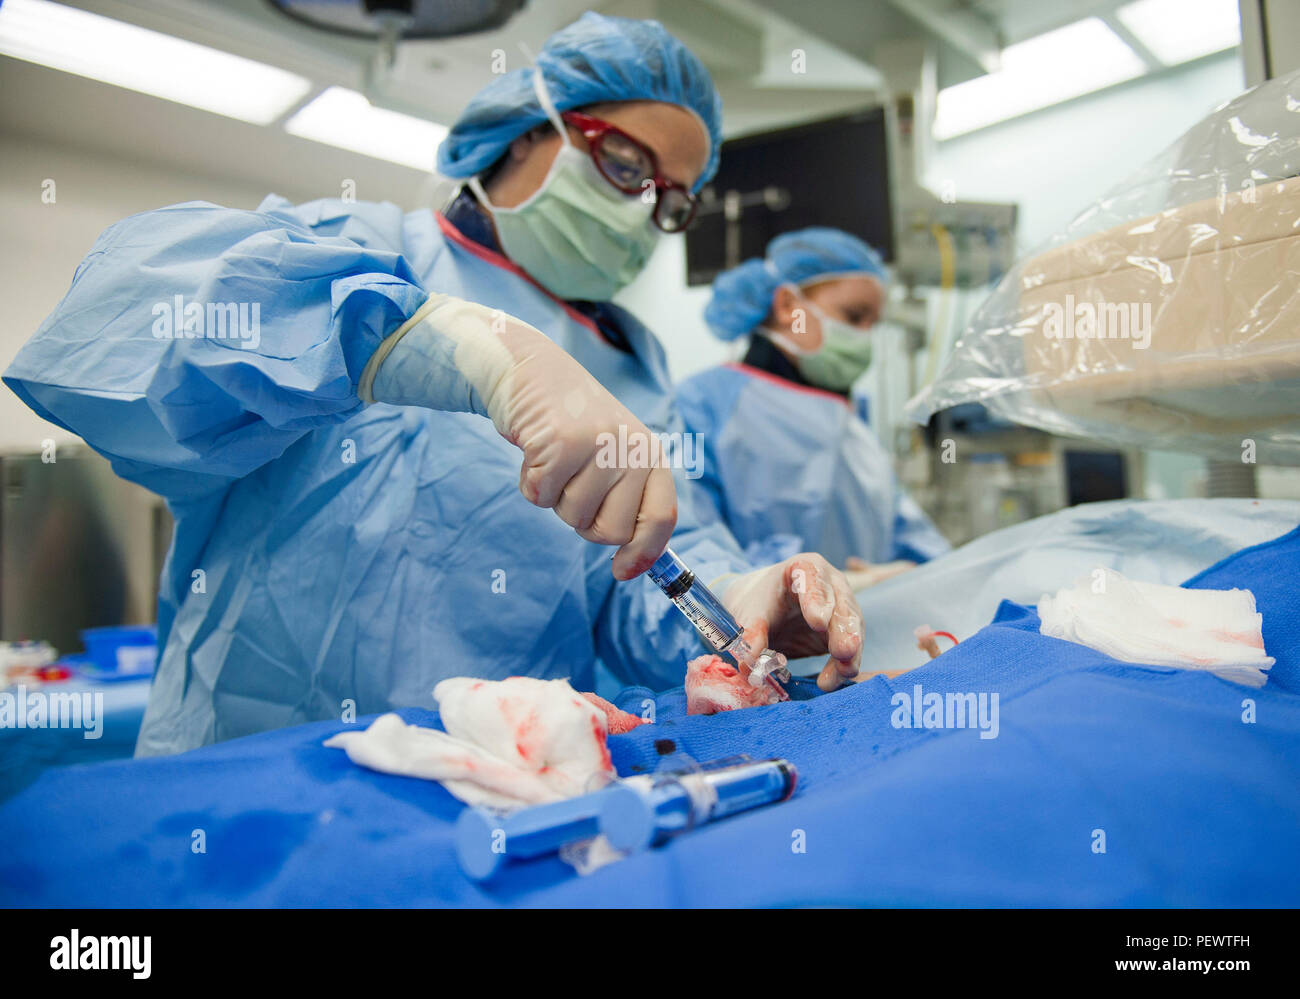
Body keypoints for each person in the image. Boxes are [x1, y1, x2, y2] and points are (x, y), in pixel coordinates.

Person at [4, 14, 864, 757]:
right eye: (629, 166)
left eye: (672, 201)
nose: (645, 212)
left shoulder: (634, 371)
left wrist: (741, 600)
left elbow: (646, 581)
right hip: (252, 789)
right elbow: (101, 334)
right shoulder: (365, 253)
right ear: (531, 130)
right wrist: (432, 341)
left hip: (500, 802)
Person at [675, 228, 950, 581]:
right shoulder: (701, 407)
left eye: (872, 323)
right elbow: (686, 551)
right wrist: (784, 592)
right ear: (790, 306)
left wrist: (911, 576)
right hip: (757, 635)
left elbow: (909, 535)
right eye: (853, 316)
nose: (864, 336)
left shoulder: (849, 420)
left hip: (868, 628)